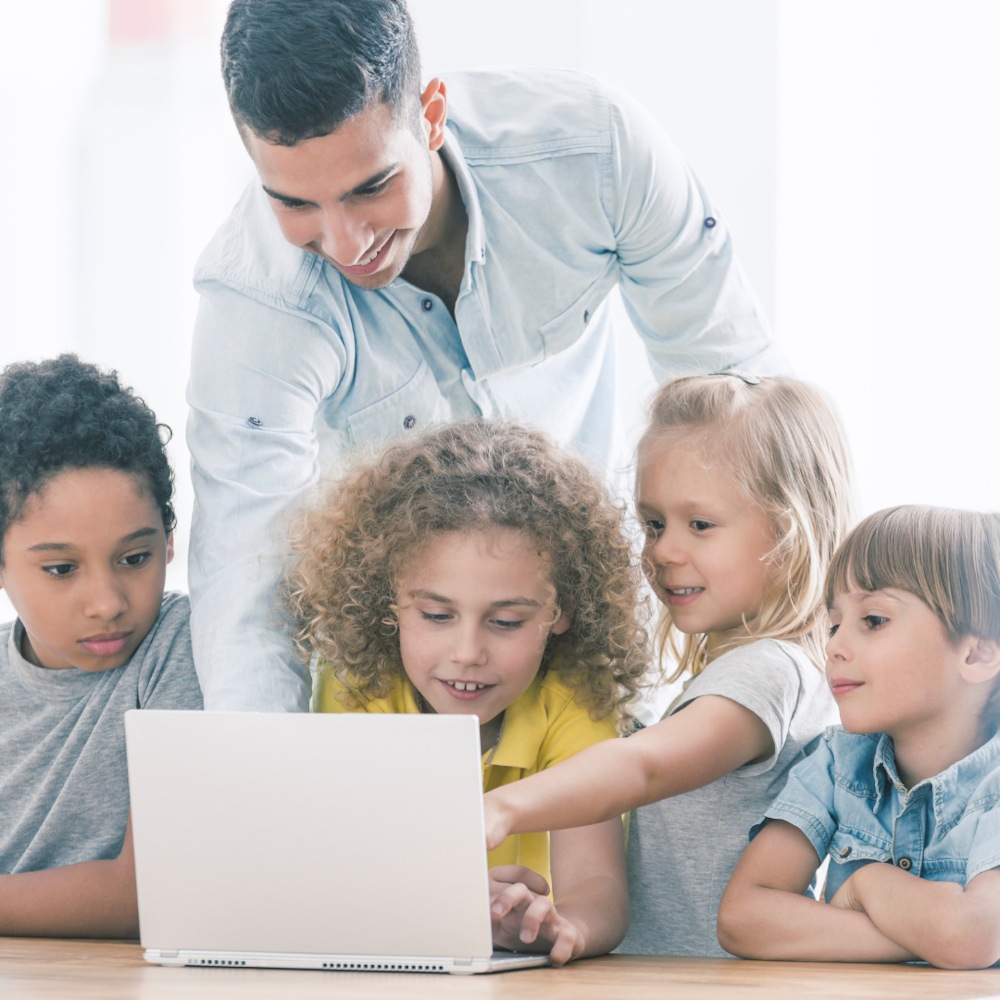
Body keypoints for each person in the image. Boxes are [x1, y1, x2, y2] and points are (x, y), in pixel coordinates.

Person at [187, 0, 786, 712]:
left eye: (371, 187)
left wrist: (760, 684)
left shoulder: (597, 153)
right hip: (395, 683)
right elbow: (246, 584)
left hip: (591, 645)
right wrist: (261, 769)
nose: (346, 243)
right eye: (295, 205)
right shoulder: (258, 299)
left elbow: (741, 420)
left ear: (431, 114)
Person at [483, 372, 855, 957]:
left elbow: (643, 769)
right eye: (654, 524)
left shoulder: (767, 672)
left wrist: (500, 808)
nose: (662, 550)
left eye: (699, 525)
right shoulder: (746, 670)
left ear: (787, 535)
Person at [282, 419, 649, 964]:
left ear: (561, 611)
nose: (468, 652)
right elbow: (339, 875)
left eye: (505, 622)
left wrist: (560, 928)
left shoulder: (576, 698)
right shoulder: (358, 685)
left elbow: (597, 889)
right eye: (436, 615)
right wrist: (451, 905)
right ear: (388, 599)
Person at [717, 505, 1000, 969]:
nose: (832, 646)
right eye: (834, 624)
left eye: (873, 620)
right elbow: (741, 917)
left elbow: (972, 936)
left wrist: (869, 884)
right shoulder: (836, 763)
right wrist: (926, 937)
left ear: (977, 655)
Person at [0, 355, 203, 937]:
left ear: (169, 542)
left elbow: (151, 889)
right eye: (62, 569)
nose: (107, 602)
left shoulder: (180, 646)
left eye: (134, 558)